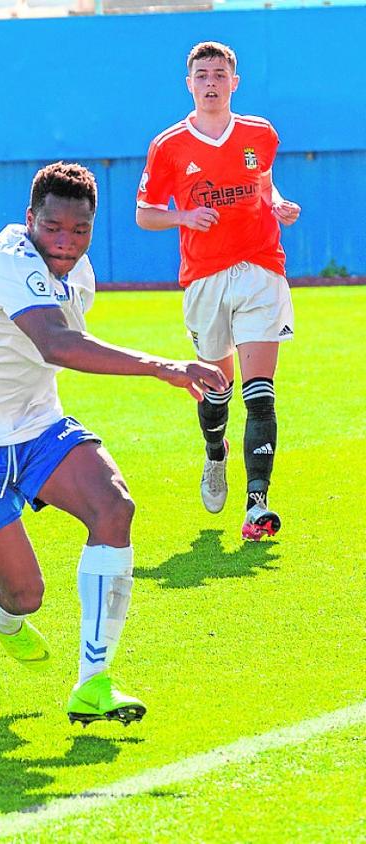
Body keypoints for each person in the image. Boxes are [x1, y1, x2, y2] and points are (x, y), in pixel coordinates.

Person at [0, 162, 227, 725]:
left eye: (79, 232)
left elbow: (61, 342)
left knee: (114, 507)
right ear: (30, 219)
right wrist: (163, 367)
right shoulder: (7, 262)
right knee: (25, 595)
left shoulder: (80, 274)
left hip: (35, 425)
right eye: (53, 227)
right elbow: (57, 344)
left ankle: (93, 685)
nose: (66, 243)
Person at [136, 41, 300, 541]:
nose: (211, 82)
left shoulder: (259, 134)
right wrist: (184, 215)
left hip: (260, 269)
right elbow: (144, 213)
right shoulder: (169, 145)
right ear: (190, 84)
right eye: (202, 75)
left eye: (219, 74)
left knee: (260, 395)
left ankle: (258, 504)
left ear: (235, 81)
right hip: (204, 277)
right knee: (217, 388)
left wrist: (278, 202)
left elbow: (263, 184)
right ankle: (214, 454)